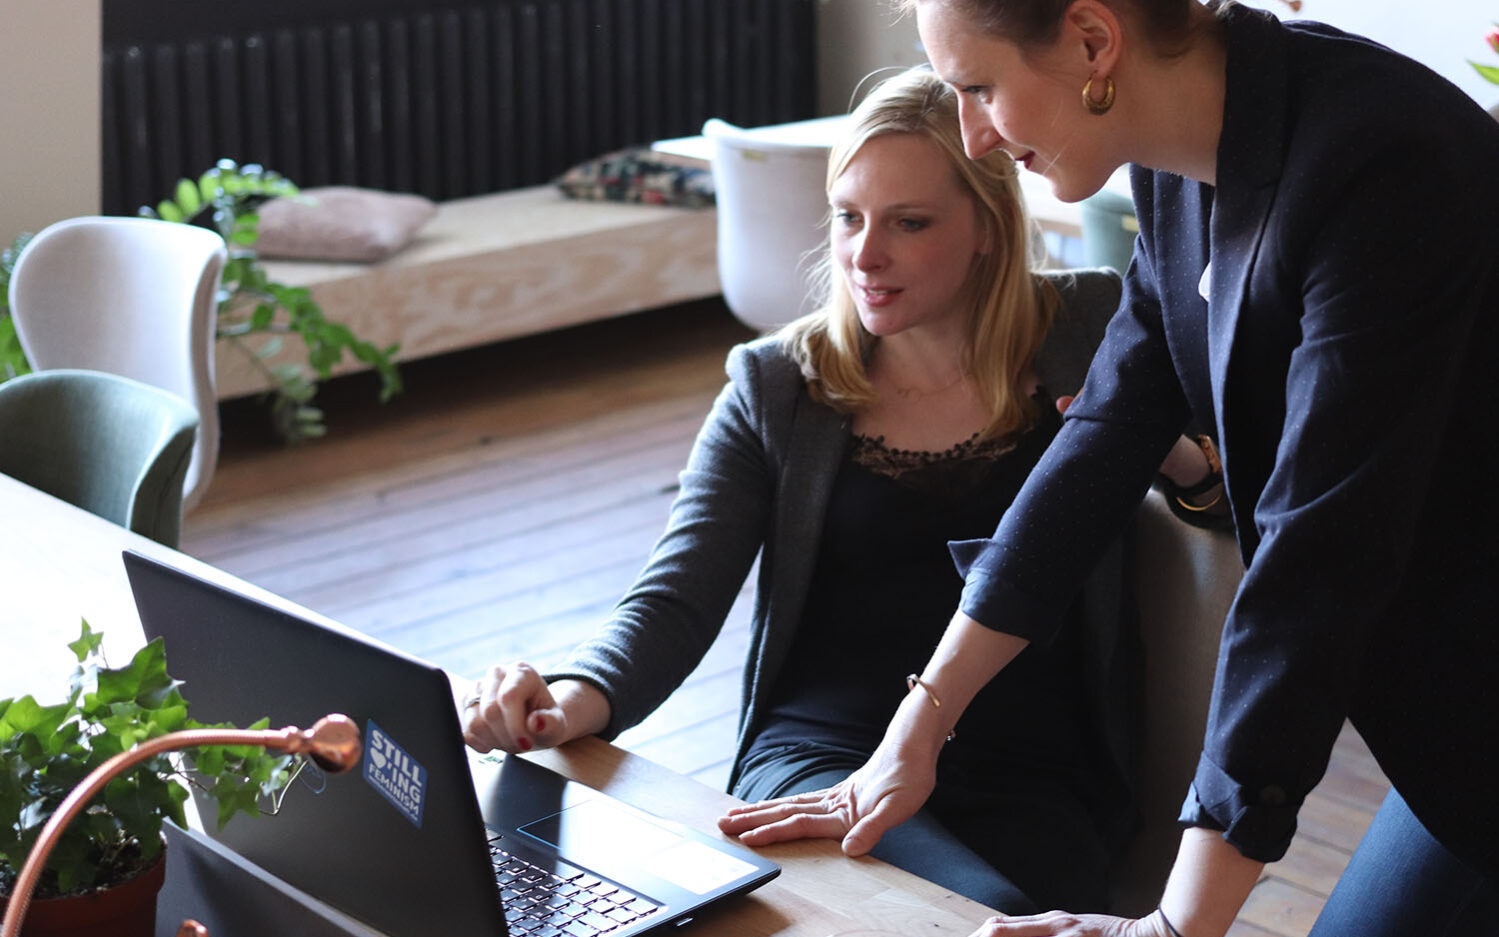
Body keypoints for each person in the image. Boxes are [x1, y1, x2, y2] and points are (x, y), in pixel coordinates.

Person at [719, 2, 1499, 936]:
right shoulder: (1183, 166)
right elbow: (1101, 436)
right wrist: (914, 731)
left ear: (1093, 41)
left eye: (979, 88)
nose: (972, 134)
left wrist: (1174, 925)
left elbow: (1317, 558)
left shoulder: (1380, 158)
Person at [461, 66, 1218, 914]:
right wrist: (565, 700)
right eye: (848, 216)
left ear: (987, 225)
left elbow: (1237, 509)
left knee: (985, 911)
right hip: (820, 757)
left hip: (1037, 770)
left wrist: (1175, 459)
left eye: (908, 222)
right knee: (954, 914)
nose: (864, 254)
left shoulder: (1092, 326)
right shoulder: (777, 385)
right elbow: (675, 597)